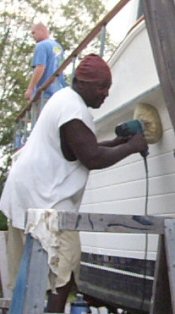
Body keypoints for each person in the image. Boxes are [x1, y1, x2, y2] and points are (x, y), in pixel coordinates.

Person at [0, 54, 148, 313]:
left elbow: (77, 150)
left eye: (108, 87)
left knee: (28, 274)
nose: (106, 94)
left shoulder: (62, 100)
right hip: (45, 199)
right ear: (82, 83)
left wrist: (117, 144)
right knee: (64, 270)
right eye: (101, 87)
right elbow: (91, 157)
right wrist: (133, 147)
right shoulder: (74, 110)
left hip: (23, 195)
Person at [25, 22, 67, 108]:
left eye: (34, 32)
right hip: (58, 92)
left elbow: (40, 67)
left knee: (42, 120)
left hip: (45, 94)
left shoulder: (41, 45)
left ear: (41, 30)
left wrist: (30, 89)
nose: (33, 36)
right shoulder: (58, 47)